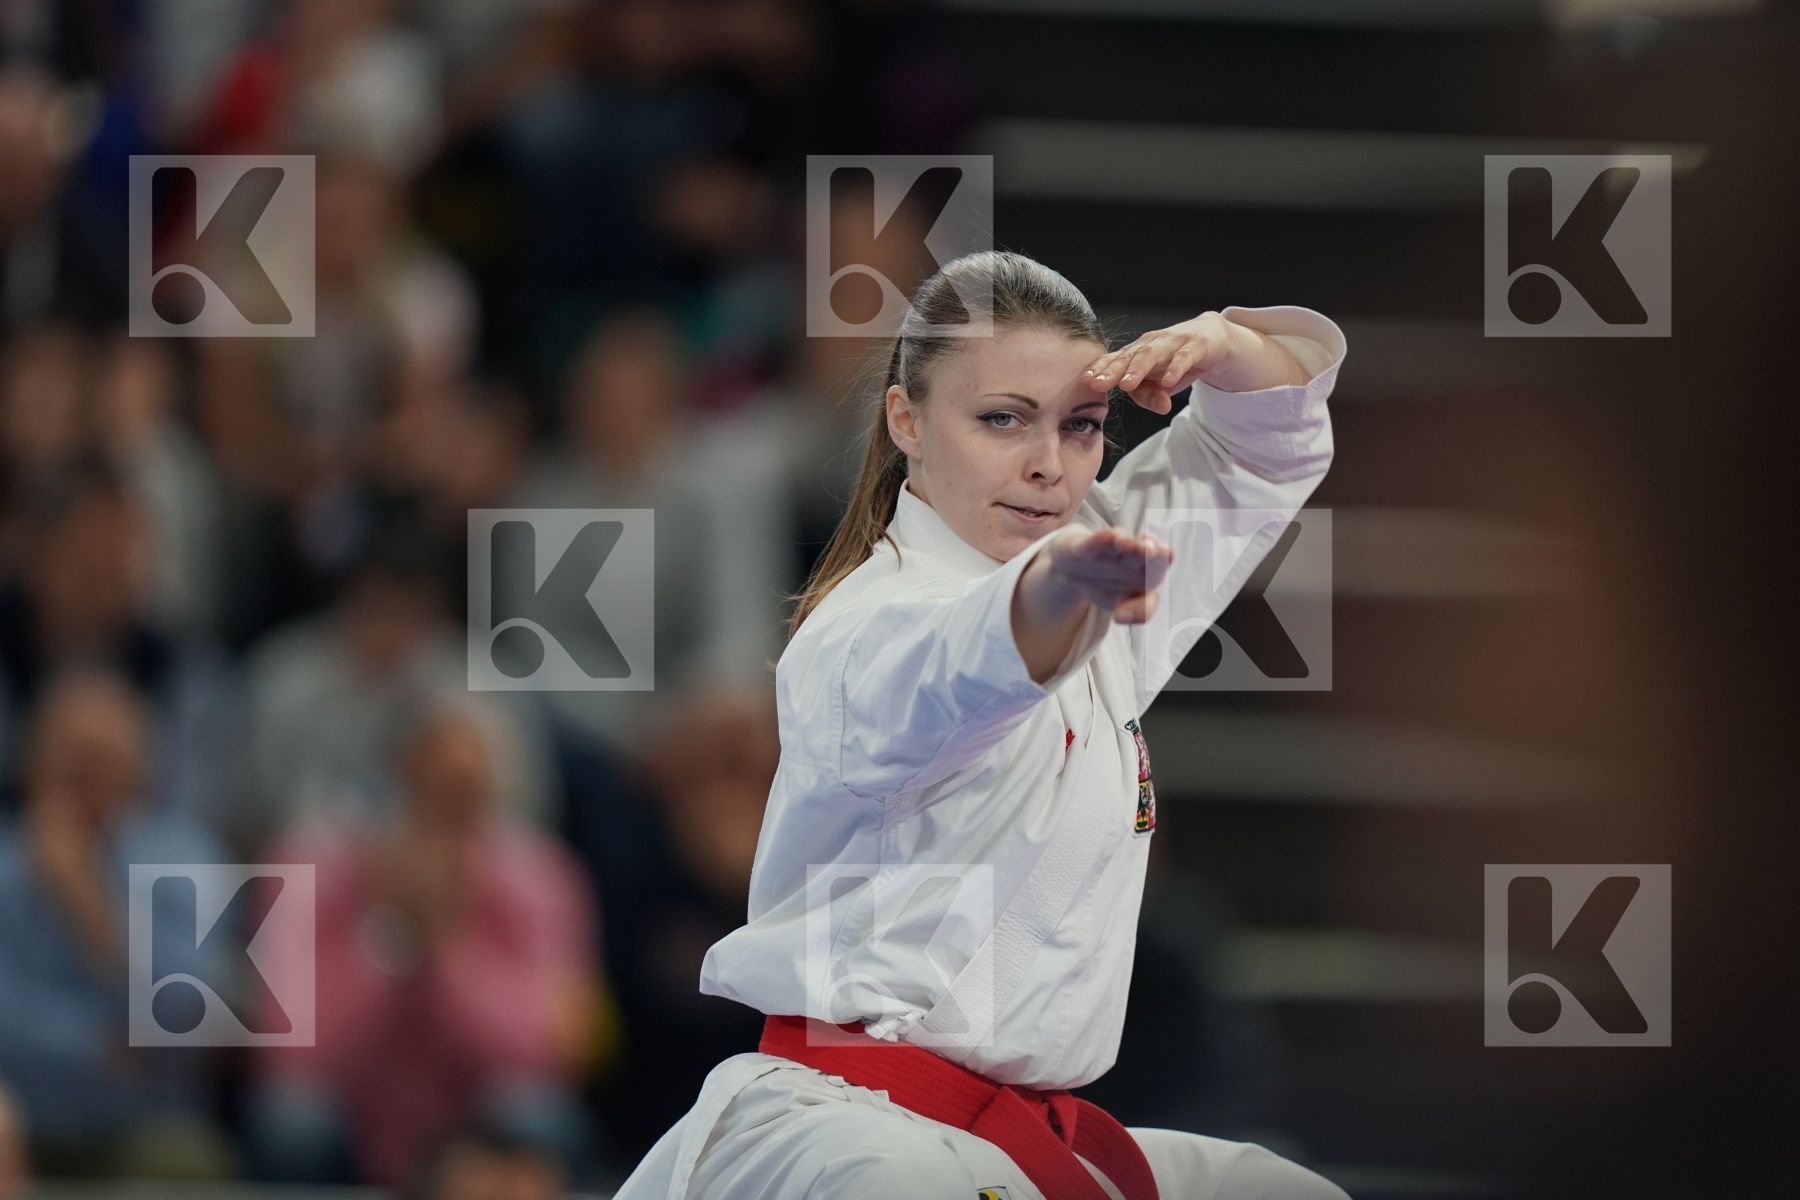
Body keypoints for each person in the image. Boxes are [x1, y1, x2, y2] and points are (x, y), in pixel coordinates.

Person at [610, 249, 1349, 1199]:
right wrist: (1062, 587)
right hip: (847, 1134)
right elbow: (965, 664)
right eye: (1003, 419)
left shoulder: (1095, 548)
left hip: (1015, 1135)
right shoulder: (867, 629)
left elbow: (1261, 445)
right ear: (906, 420)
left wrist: (1230, 343)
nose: (1049, 463)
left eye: (1082, 426)